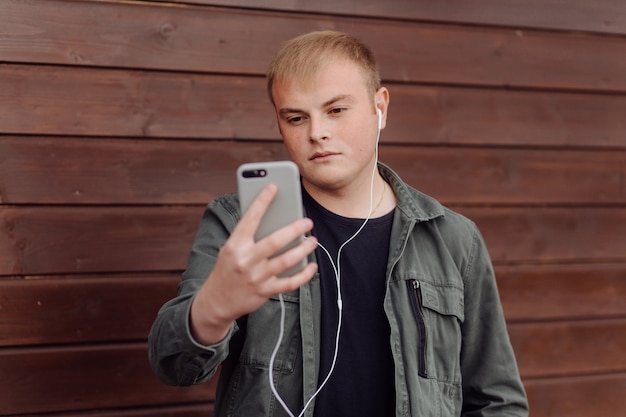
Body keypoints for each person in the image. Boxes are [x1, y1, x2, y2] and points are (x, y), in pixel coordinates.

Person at [148, 30, 529, 417]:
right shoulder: (239, 225)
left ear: (380, 107)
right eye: (296, 117)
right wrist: (212, 310)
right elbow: (173, 367)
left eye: (336, 110)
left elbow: (497, 401)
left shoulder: (452, 239)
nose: (317, 133)